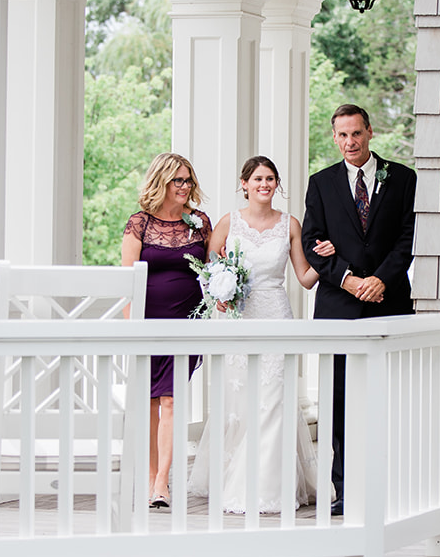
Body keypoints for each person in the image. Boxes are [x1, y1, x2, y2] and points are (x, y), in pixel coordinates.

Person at [189, 156, 324, 514]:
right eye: (258, 179)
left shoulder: (290, 225)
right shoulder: (228, 223)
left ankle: (266, 486)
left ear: (277, 185)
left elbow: (305, 277)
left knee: (275, 400)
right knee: (241, 403)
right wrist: (218, 295)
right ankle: (232, 474)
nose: (265, 185)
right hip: (237, 319)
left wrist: (328, 256)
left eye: (270, 179)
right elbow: (207, 273)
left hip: (276, 315)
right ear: (244, 183)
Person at [301, 105, 417, 517]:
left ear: (370, 132)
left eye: (356, 134)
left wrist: (380, 279)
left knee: (391, 399)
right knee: (340, 403)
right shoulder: (321, 184)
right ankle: (346, 491)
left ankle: (394, 485)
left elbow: (406, 239)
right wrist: (349, 280)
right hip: (339, 307)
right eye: (342, 136)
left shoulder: (402, 178)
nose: (349, 142)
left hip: (390, 303)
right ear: (334, 138)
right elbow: (313, 243)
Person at [121, 152, 210, 509]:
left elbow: (214, 267)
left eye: (188, 179)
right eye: (178, 180)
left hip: (187, 320)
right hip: (147, 320)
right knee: (150, 401)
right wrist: (132, 327)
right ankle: (149, 477)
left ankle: (162, 484)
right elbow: (128, 280)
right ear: (161, 181)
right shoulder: (139, 224)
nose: (185, 186)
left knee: (172, 399)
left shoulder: (199, 222)